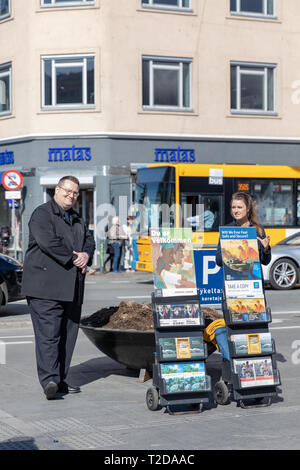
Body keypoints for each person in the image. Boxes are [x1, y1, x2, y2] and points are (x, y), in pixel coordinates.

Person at [21, 176, 95, 400]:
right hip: (45, 288)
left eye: (75, 193)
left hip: (72, 288)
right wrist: (75, 259)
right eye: (68, 191)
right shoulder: (41, 214)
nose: (71, 195)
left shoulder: (77, 218)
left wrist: (86, 255)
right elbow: (48, 242)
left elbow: (89, 240)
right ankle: (49, 381)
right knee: (49, 336)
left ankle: (61, 379)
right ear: (57, 190)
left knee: (67, 336)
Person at [216, 192, 271, 268]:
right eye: (233, 207)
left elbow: (265, 261)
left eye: (239, 207)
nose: (236, 211)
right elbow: (218, 262)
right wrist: (226, 250)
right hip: (233, 277)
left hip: (253, 277)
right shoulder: (227, 230)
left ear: (248, 209)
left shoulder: (258, 229)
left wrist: (266, 249)